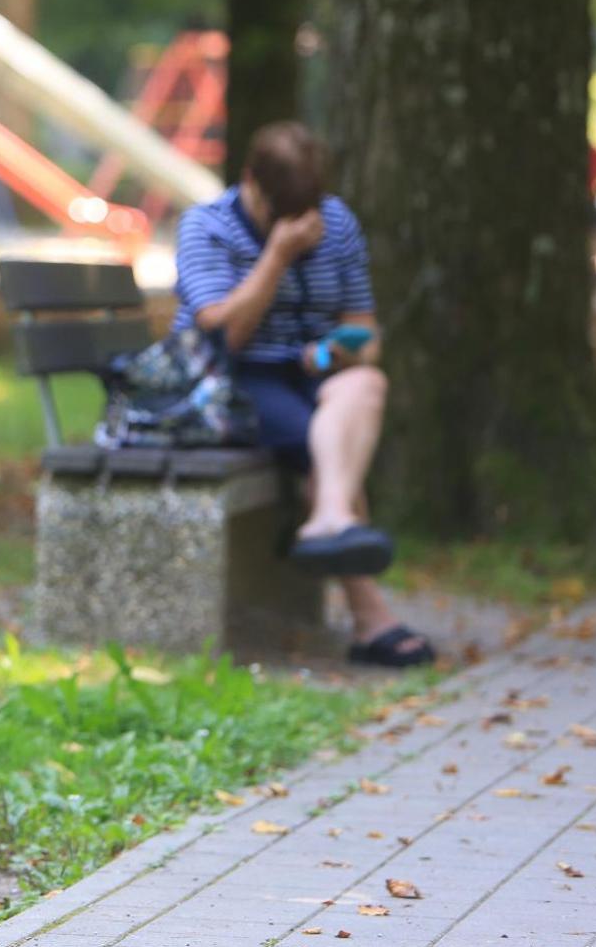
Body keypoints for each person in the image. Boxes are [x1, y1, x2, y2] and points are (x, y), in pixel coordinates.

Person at [171, 121, 433, 667]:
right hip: (228, 382)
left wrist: (348, 351)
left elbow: (366, 329)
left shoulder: (335, 222)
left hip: (310, 374)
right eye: (280, 215)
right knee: (327, 450)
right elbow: (225, 336)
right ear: (249, 181)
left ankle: (328, 519)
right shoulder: (206, 227)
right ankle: (370, 619)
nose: (299, 225)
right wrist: (277, 256)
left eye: (306, 212)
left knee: (367, 383)